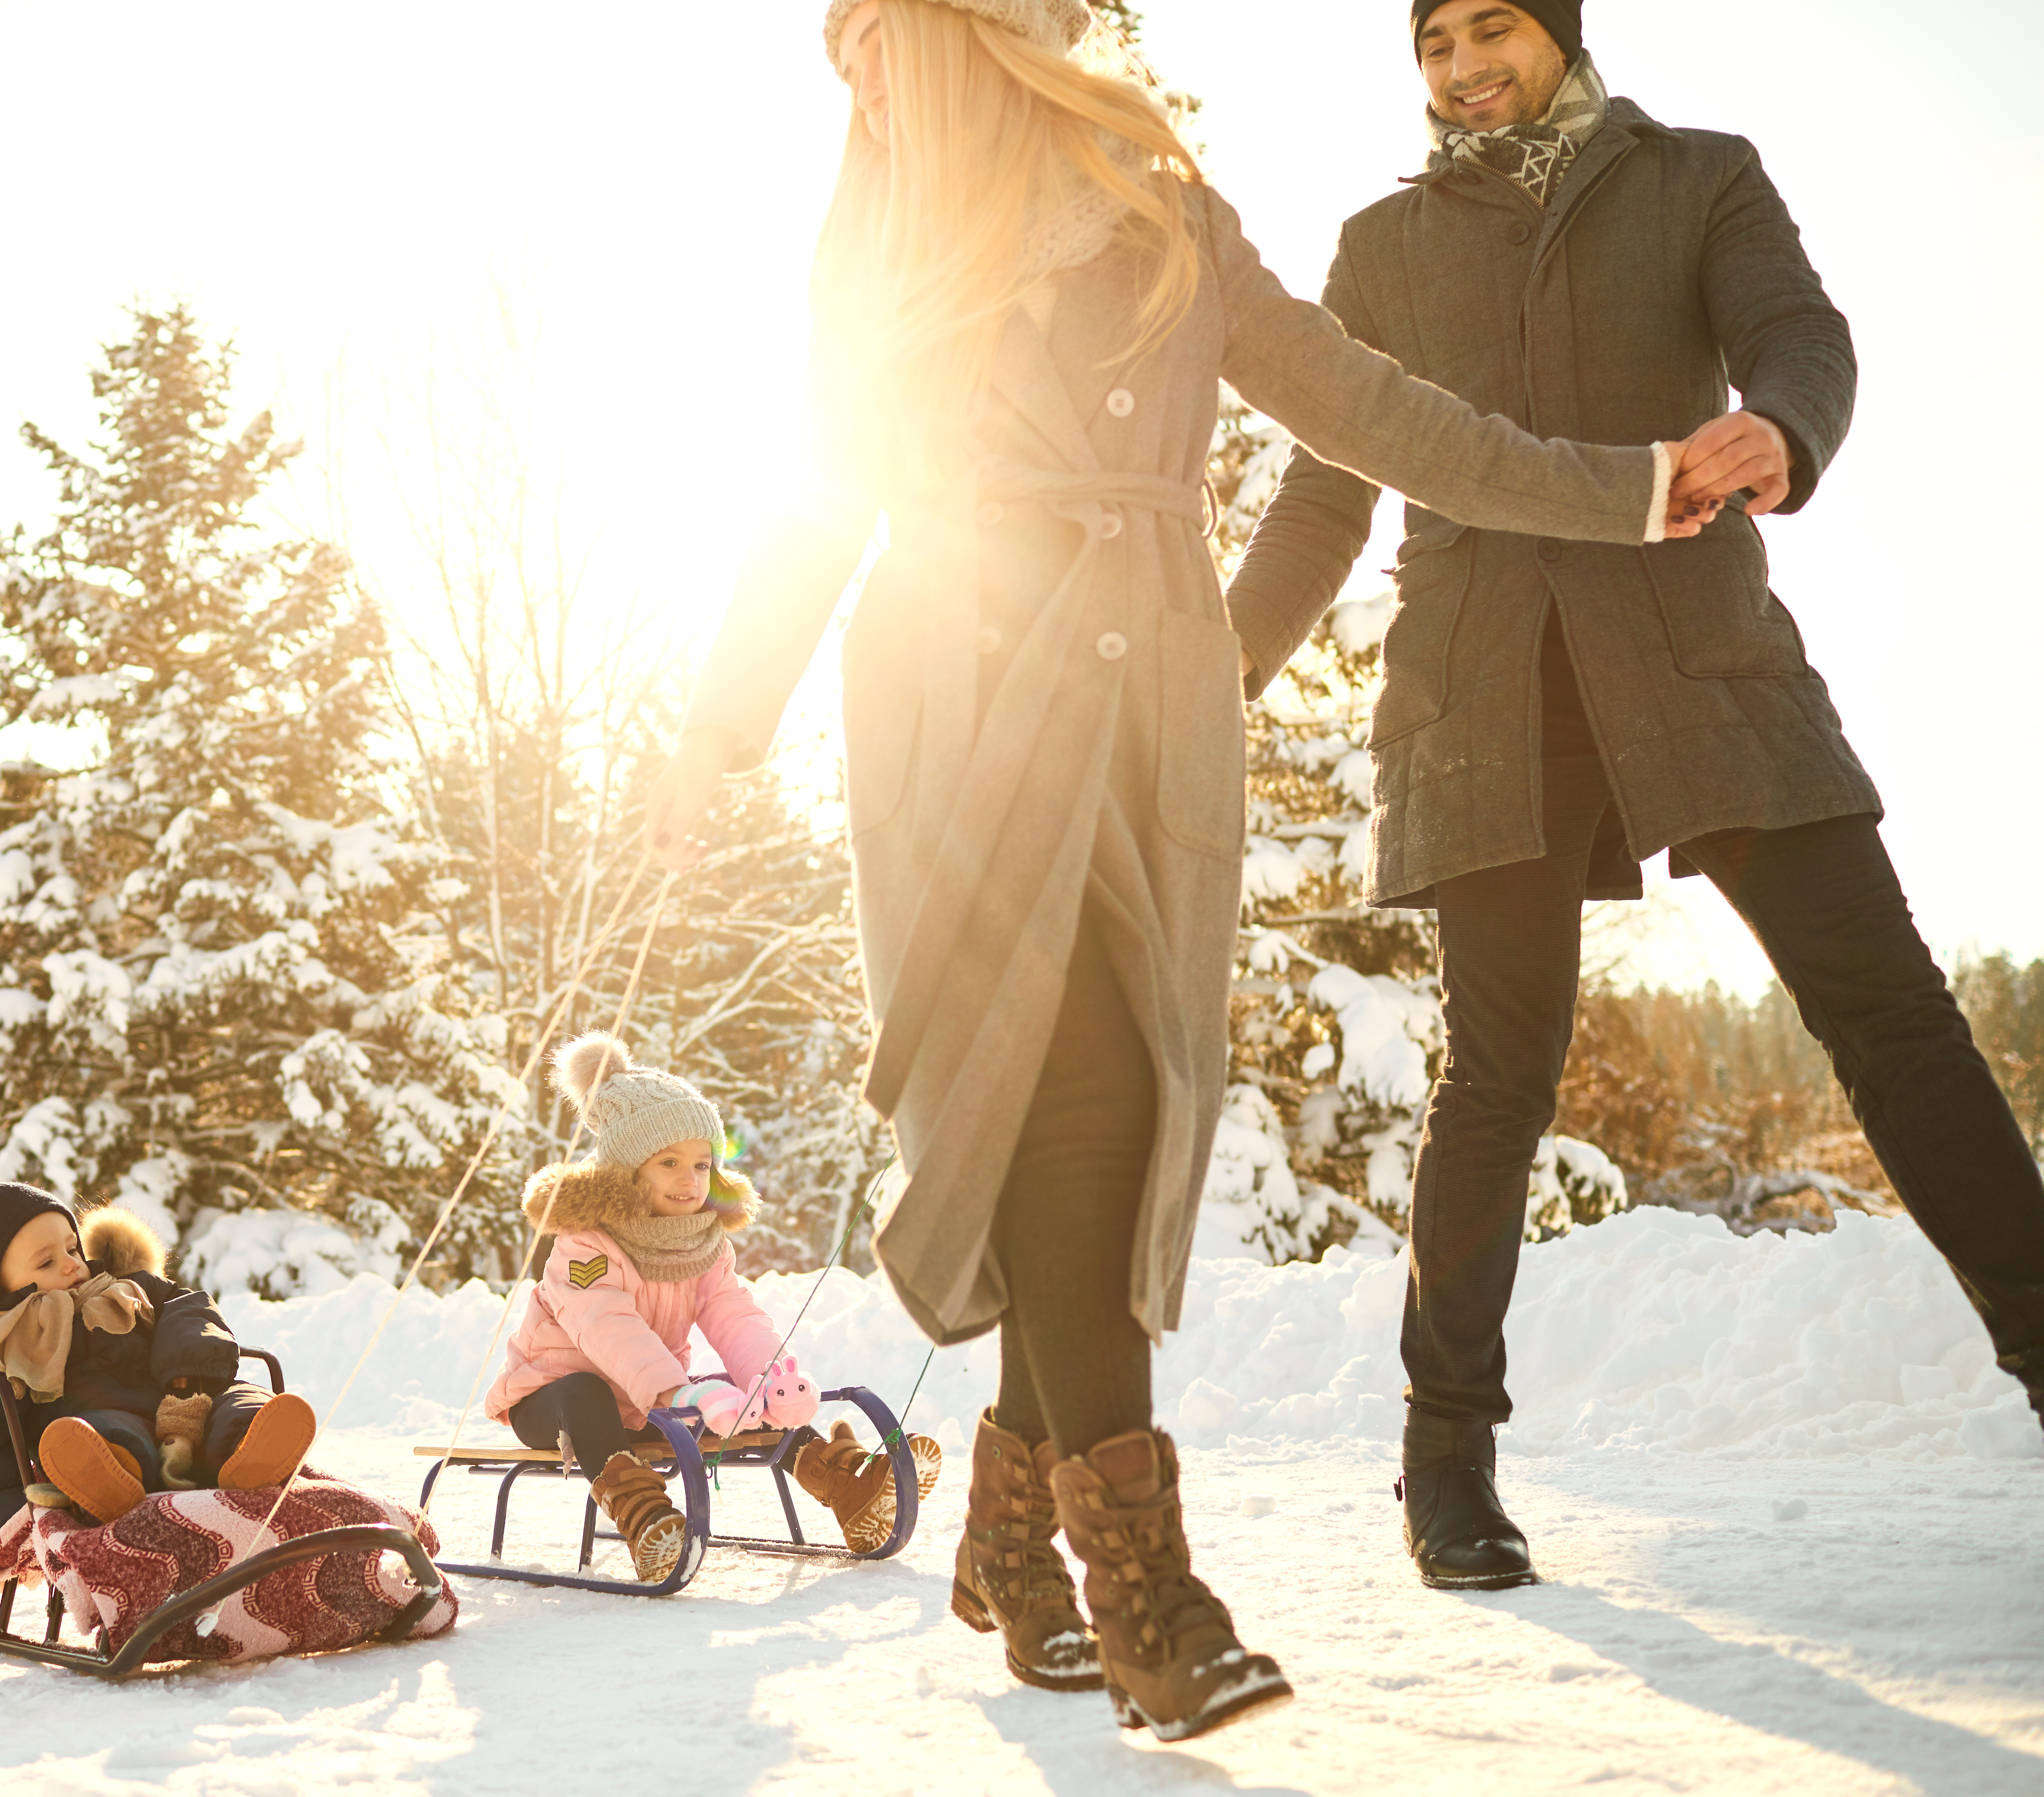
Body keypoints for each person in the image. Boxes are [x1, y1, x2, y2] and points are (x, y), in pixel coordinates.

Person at [643, 0, 1728, 1742]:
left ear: (972, 34)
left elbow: (1366, 406)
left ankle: (1006, 1528)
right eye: (836, 55)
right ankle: (1145, 1592)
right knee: (1050, 1085)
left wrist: (1625, 488)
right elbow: (816, 496)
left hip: (1143, 691)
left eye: (874, 40)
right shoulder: (878, 234)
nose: (853, 80)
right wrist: (712, 729)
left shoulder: (1153, 201)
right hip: (955, 684)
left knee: (1115, 1106)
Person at [1226, 0, 2044, 1595]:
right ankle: (1444, 1461)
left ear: (1560, 32)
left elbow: (1804, 333)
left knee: (1888, 1009)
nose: (1464, 69)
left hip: (1701, 663)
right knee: (1498, 1066)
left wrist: (1786, 429)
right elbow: (1327, 478)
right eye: (1436, 43)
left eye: (1493, 31)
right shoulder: (1383, 246)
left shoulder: (1699, 181)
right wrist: (1219, 672)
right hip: (1484, 692)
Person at [485, 1033, 942, 1581]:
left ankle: (847, 1486)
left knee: (742, 1390)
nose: (690, 1180)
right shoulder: (587, 1240)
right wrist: (675, 1393)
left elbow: (734, 1314)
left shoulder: (702, 1241)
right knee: (589, 1391)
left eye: (702, 1165)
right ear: (628, 1172)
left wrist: (769, 1380)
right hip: (554, 1400)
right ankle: (647, 1519)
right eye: (669, 1163)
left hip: (650, 1400)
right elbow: (605, 1325)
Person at [0, 1148, 318, 1538]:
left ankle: (252, 1448)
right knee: (102, 1435)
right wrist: (11, 1523)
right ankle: (104, 1478)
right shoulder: (9, 1351)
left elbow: (191, 1307)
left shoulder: (125, 1287)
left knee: (242, 1399)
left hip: (190, 1402)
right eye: (48, 1261)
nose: (73, 1265)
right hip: (110, 1428)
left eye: (72, 1248)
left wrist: (190, 1379)